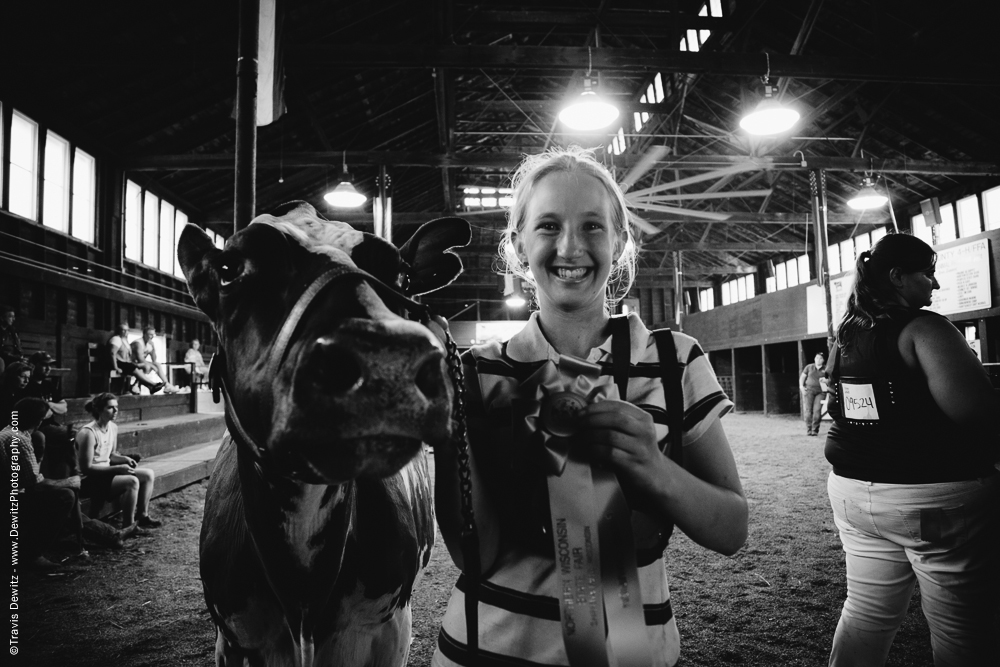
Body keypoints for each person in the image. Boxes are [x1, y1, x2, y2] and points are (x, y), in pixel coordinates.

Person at [432, 148, 748, 667]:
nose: (570, 247)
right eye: (549, 226)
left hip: (633, 654)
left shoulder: (675, 360)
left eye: (593, 227)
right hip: (487, 650)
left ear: (620, 240)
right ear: (518, 245)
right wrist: (450, 430)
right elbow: (476, 557)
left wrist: (654, 467)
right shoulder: (473, 374)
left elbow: (731, 529)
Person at [824, 233, 999, 666]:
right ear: (898, 277)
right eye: (928, 274)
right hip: (931, 497)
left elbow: (836, 405)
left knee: (865, 610)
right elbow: (976, 413)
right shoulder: (925, 328)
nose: (935, 285)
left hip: (853, 493)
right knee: (963, 626)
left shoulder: (846, 332)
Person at [1, 397, 88, 570]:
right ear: (39, 421)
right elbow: (36, 485)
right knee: (65, 496)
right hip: (8, 498)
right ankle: (31, 554)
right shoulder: (19, 440)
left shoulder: (8, 431)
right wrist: (69, 481)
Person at [76, 392, 163, 529]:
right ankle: (129, 526)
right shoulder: (88, 433)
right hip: (89, 479)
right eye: (110, 408)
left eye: (116, 407)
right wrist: (117, 468)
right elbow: (86, 468)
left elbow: (110, 455)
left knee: (148, 474)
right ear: (99, 409)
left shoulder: (112, 427)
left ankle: (142, 516)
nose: (116, 410)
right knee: (132, 481)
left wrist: (124, 459)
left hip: (105, 474)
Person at [107, 323, 163, 394]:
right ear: (118, 330)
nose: (125, 332)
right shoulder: (116, 339)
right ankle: (153, 384)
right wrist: (115, 367)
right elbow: (112, 353)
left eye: (127, 330)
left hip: (124, 363)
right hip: (117, 363)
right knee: (133, 368)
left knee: (139, 366)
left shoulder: (124, 340)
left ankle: (147, 387)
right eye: (123, 330)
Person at [130, 326, 178, 393]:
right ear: (144, 334)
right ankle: (135, 385)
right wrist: (152, 366)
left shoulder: (149, 344)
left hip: (140, 364)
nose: (152, 336)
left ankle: (167, 385)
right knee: (147, 366)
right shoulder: (138, 343)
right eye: (150, 334)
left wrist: (153, 348)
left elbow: (154, 359)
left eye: (153, 335)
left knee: (157, 364)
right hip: (130, 363)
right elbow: (140, 359)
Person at [799, 351, 828, 436]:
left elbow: (831, 380)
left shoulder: (826, 369)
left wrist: (826, 380)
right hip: (809, 390)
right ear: (814, 359)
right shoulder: (809, 367)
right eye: (817, 358)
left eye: (821, 358)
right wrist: (801, 387)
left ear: (823, 360)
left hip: (821, 392)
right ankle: (809, 429)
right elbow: (802, 377)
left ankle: (815, 430)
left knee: (817, 411)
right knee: (808, 410)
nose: (818, 360)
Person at [0, 304, 24, 371]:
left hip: (14, 360)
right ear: (2, 318)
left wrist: (20, 357)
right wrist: (13, 357)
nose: (14, 319)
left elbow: (19, 348)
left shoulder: (13, 332)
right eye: (10, 316)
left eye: (14, 316)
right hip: (3, 360)